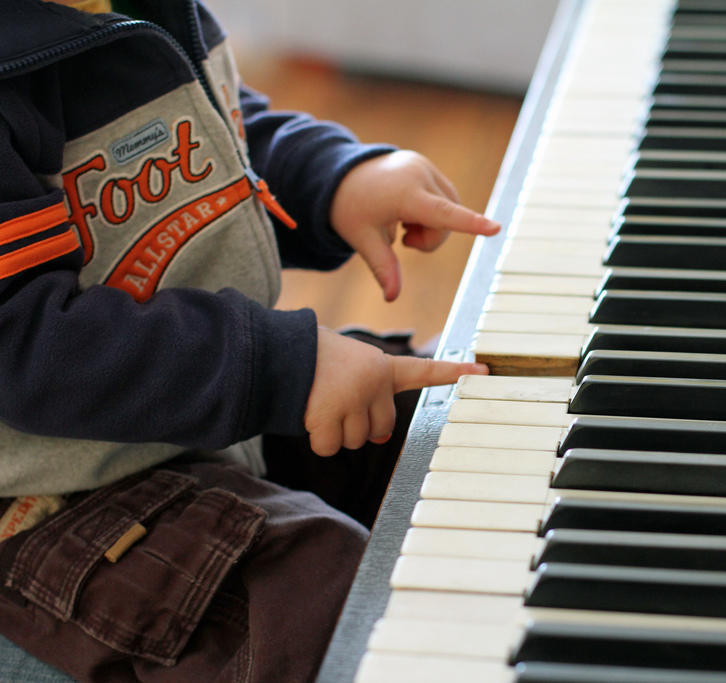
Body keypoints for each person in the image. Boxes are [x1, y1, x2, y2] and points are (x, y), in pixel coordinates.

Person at [0, 0, 500, 680]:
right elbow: (25, 348)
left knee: (461, 425)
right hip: (38, 504)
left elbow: (214, 136)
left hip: (179, 414)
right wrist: (282, 368)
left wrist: (333, 178)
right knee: (323, 600)